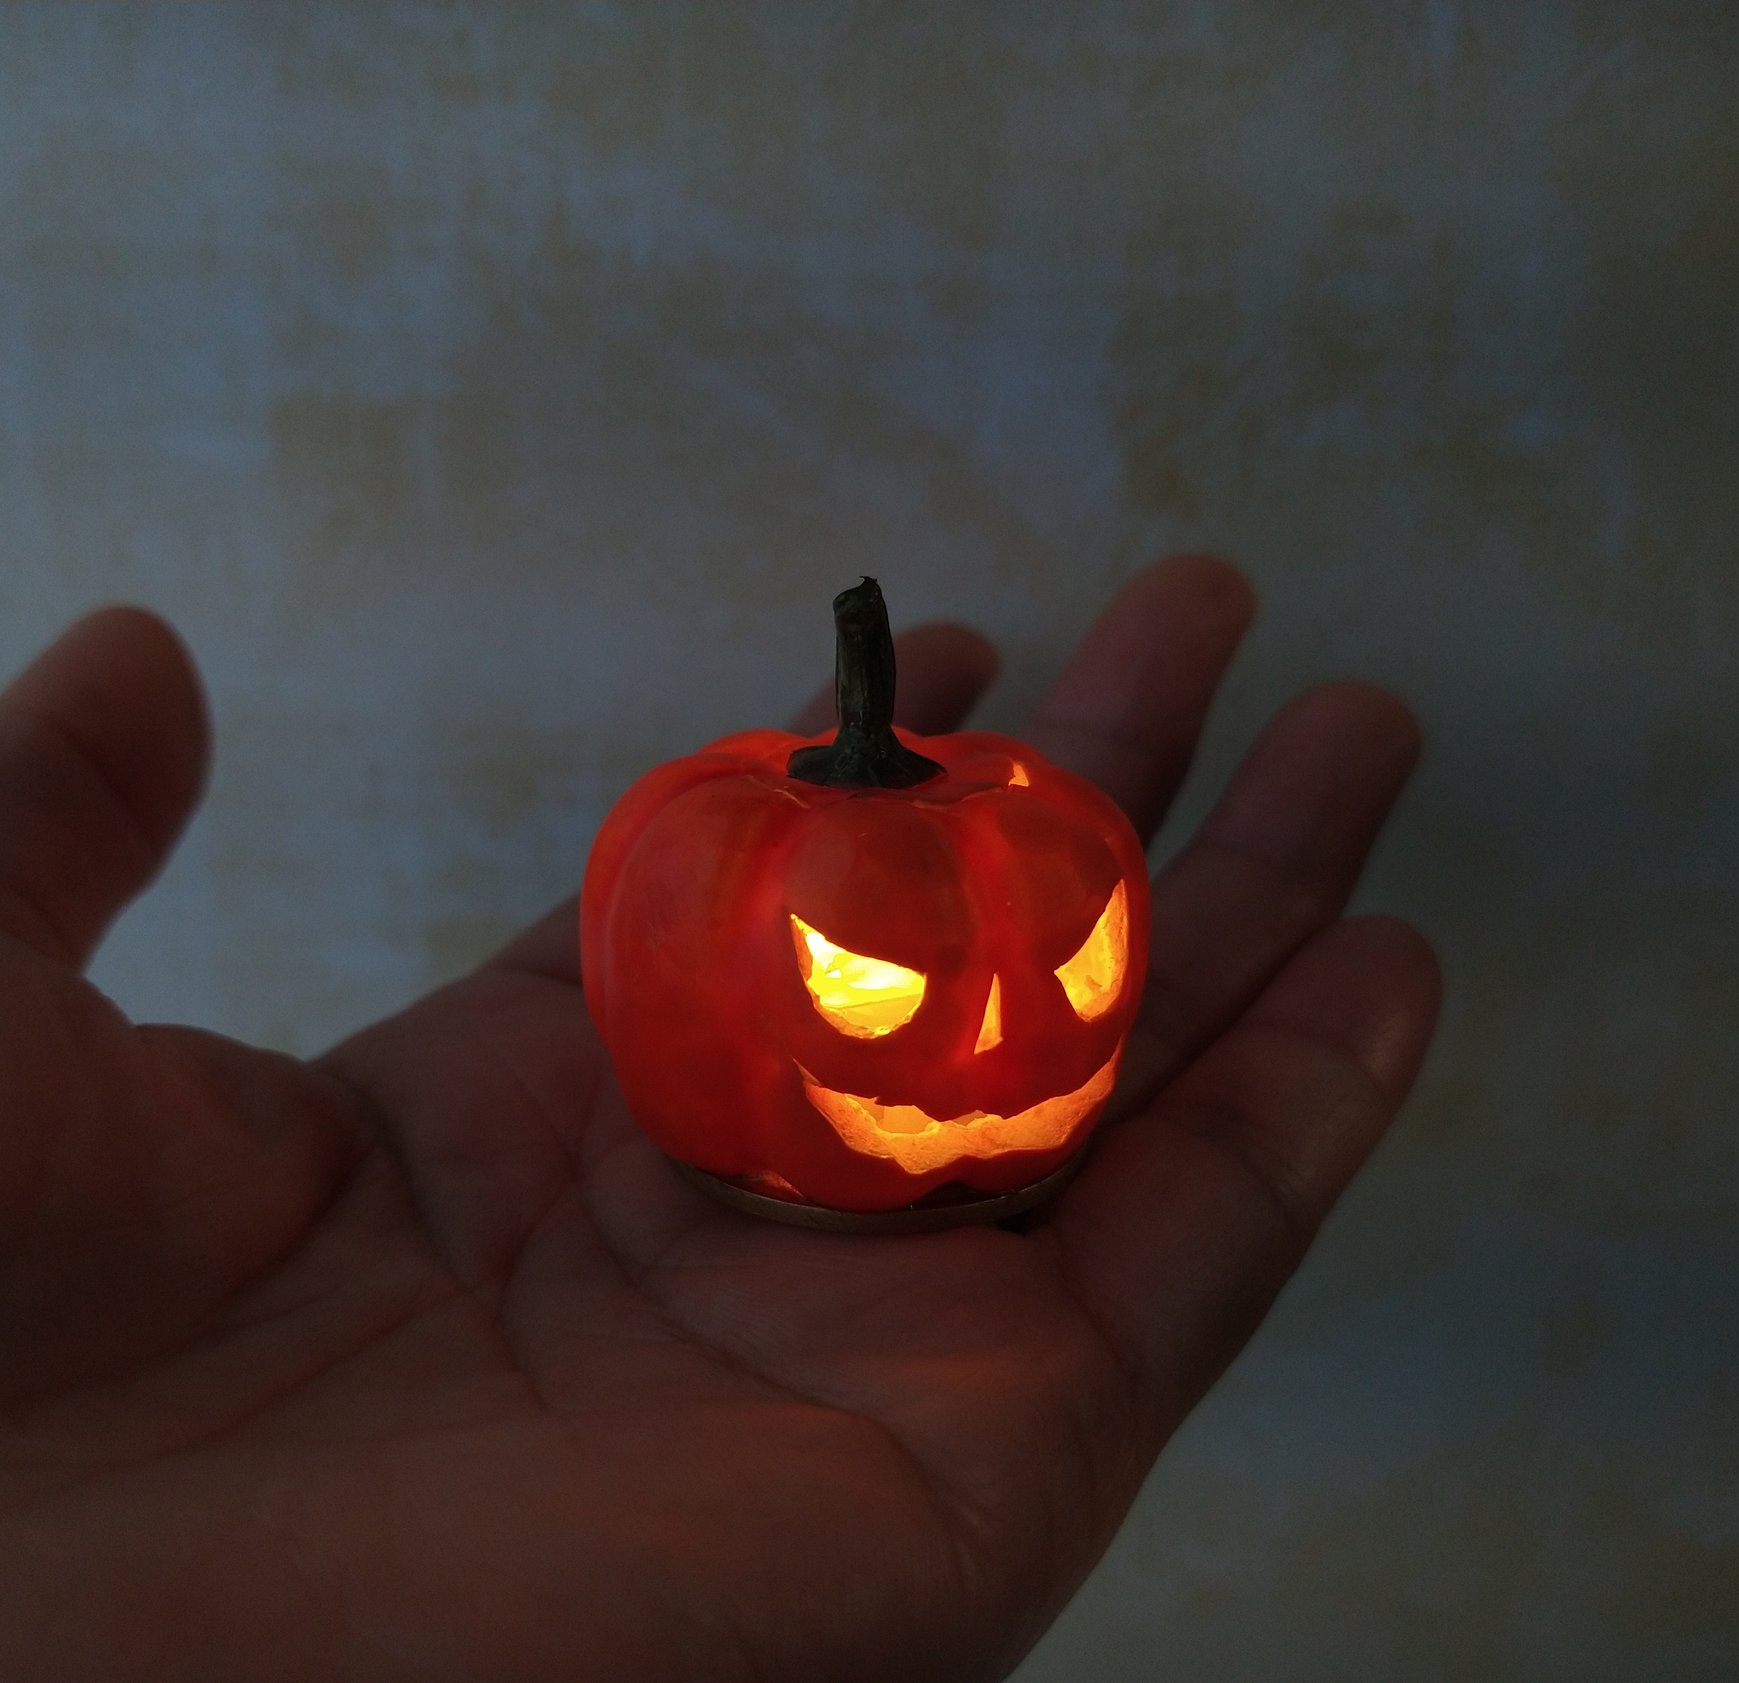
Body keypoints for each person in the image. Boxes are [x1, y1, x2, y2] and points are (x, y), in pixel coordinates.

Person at [0, 555, 1438, 1682]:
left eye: (1075, 974)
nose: (1005, 1045)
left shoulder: (1035, 820)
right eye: (870, 990)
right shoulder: (704, 831)